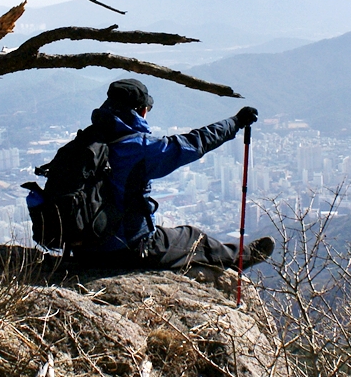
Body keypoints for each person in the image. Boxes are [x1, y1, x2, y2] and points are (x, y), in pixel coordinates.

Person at [69, 78, 274, 270]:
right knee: (193, 238)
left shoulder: (86, 142)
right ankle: (245, 257)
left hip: (83, 250)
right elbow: (194, 143)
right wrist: (235, 122)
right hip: (127, 249)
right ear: (141, 111)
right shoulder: (137, 149)